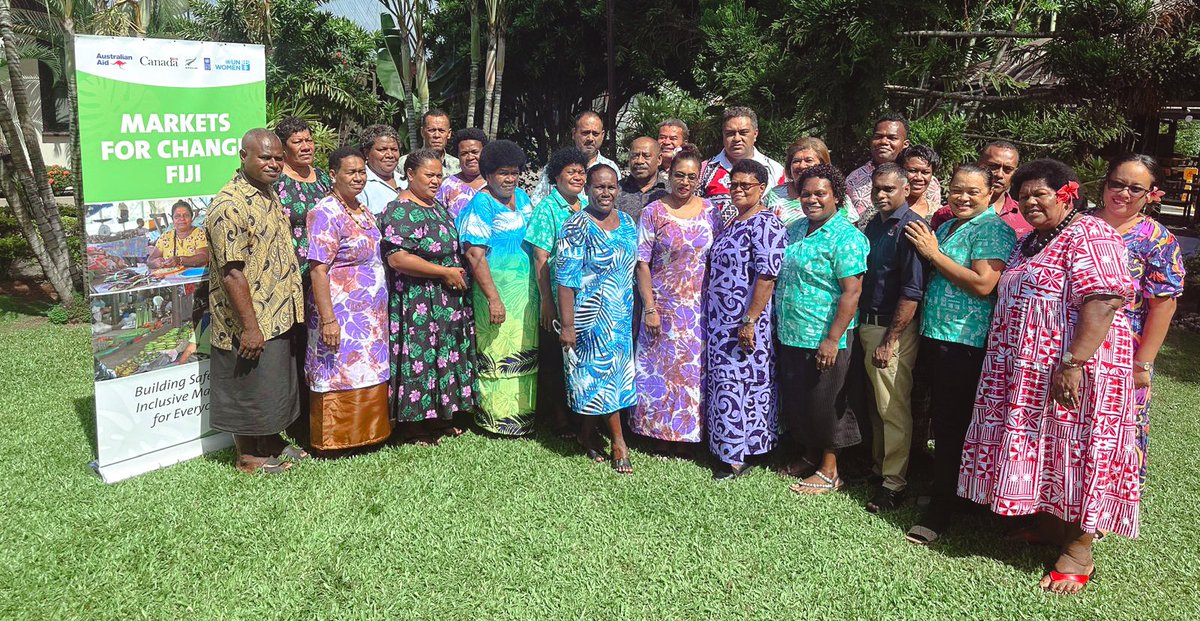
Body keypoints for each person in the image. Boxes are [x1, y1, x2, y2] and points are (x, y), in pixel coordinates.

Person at [957, 159, 1137, 595]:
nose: (1030, 201)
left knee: (1078, 450)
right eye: (1023, 196)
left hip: (1076, 370)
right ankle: (1049, 525)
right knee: (1048, 449)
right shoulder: (1030, 241)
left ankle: (1078, 551)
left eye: (1040, 193)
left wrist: (1073, 363)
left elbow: (1103, 301)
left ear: (1066, 193)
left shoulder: (1092, 235)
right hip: (1026, 371)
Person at [900, 165, 1016, 542]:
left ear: (990, 194)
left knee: (951, 425)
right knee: (942, 421)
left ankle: (941, 510)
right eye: (957, 190)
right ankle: (949, 490)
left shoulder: (993, 229)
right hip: (937, 335)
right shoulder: (950, 225)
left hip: (965, 341)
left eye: (973, 192)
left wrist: (933, 253)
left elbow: (984, 284)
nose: (963, 197)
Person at [206, 129, 307, 474]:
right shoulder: (229, 204)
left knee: (271, 383)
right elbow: (232, 272)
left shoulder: (266, 192)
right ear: (243, 156)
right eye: (265, 157)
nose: (274, 164)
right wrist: (249, 327)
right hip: (248, 319)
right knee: (248, 384)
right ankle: (249, 457)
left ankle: (272, 441)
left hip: (276, 310)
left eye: (279, 158)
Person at [776, 164, 868, 494]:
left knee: (827, 401)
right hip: (793, 332)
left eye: (820, 194)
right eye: (806, 194)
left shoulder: (847, 237)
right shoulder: (798, 228)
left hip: (826, 335)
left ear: (837, 197)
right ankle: (809, 455)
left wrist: (832, 338)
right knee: (802, 399)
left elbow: (851, 291)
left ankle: (830, 469)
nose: (812, 199)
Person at [1094, 154, 1186, 485]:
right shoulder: (1080, 224)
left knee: (1121, 427)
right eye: (1117, 184)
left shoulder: (1157, 240)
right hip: (1075, 347)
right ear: (1105, 185)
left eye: (1135, 188)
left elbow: (1164, 306)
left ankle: (1107, 506)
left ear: (1150, 194)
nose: (1124, 193)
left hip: (1124, 354)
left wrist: (1142, 363)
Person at [379, 148, 478, 445]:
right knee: (419, 357)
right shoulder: (402, 209)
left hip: (445, 302)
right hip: (417, 299)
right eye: (429, 175)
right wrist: (442, 272)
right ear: (410, 175)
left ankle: (438, 417)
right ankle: (413, 426)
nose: (436, 181)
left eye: (439, 175)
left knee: (440, 357)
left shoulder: (435, 206)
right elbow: (397, 258)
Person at [632, 143, 720, 457]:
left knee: (691, 372)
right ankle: (656, 433)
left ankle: (689, 435)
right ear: (669, 174)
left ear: (700, 178)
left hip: (698, 308)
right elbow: (642, 262)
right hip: (663, 305)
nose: (684, 182)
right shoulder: (653, 211)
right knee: (659, 370)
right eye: (679, 175)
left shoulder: (712, 212)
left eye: (691, 176)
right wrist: (650, 308)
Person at [304, 147, 391, 454]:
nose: (358, 178)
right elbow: (318, 270)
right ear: (333, 175)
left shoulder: (361, 209)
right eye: (350, 172)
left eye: (361, 172)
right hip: (340, 312)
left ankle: (370, 433)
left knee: (367, 368)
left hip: (370, 315)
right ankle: (337, 439)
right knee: (340, 370)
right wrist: (329, 319)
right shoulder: (324, 212)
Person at [703, 159, 787, 480]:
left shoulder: (766, 224)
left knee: (740, 385)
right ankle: (731, 447)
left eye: (745, 186)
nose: (737, 190)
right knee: (729, 383)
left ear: (762, 188)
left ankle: (735, 456)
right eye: (733, 185)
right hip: (722, 322)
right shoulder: (734, 222)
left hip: (747, 321)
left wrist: (750, 320)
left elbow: (767, 274)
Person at [556, 164, 639, 474]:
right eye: (599, 187)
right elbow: (566, 278)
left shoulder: (629, 223)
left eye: (611, 187)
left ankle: (587, 434)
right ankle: (619, 442)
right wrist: (567, 326)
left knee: (609, 380)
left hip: (620, 317)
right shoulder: (575, 225)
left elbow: (635, 268)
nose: (606, 193)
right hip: (588, 319)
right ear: (587, 189)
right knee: (599, 381)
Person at [457, 140, 540, 436]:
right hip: (495, 293)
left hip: (524, 295)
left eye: (514, 172)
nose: (510, 178)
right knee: (497, 351)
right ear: (488, 174)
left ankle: (523, 418)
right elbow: (474, 254)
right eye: (503, 173)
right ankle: (494, 420)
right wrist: (493, 299)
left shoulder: (521, 196)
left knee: (523, 351)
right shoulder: (481, 203)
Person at [857, 163, 927, 512]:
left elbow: (912, 291)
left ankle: (895, 484)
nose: (881, 195)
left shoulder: (911, 227)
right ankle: (879, 468)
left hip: (891, 329)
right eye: (877, 189)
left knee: (892, 407)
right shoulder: (874, 224)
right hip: (866, 324)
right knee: (876, 405)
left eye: (888, 189)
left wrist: (890, 340)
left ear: (905, 190)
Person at [525, 147, 590, 438]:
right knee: (555, 356)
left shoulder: (587, 203)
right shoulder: (547, 209)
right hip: (556, 293)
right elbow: (540, 257)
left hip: (587, 296)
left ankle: (582, 410)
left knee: (580, 355)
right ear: (557, 177)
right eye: (571, 172)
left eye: (581, 171)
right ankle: (560, 417)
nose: (577, 177)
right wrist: (547, 302)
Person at [846, 113, 942, 227]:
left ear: (905, 144)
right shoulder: (854, 180)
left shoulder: (927, 183)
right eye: (878, 137)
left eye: (892, 138)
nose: (884, 142)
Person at [699, 106, 786, 224]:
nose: (737, 138)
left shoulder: (776, 172)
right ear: (723, 135)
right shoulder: (703, 170)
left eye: (743, 132)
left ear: (755, 134)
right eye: (730, 133)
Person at [273, 116, 333, 276]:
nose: (306, 147)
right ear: (283, 148)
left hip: (325, 269)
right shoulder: (275, 181)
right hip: (291, 272)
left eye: (309, 140)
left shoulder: (323, 177)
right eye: (298, 142)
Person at [931, 141, 1029, 236]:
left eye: (1008, 169)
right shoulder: (946, 215)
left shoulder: (1026, 214)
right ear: (979, 165)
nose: (999, 174)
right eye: (993, 166)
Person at [530, 111, 621, 204]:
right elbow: (537, 204)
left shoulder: (611, 168)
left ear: (602, 135)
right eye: (585, 133)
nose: (590, 138)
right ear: (574, 133)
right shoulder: (556, 166)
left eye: (595, 134)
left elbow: (616, 205)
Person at [765, 137, 857, 227]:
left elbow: (853, 231)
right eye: (796, 161)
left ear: (823, 164)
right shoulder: (774, 195)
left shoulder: (836, 195)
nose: (801, 165)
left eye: (808, 160)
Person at [436, 128, 489, 218]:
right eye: (464, 153)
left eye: (474, 152)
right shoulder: (447, 185)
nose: (470, 157)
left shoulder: (496, 184)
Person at [615, 136, 667, 222]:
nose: (639, 161)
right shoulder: (616, 190)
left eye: (646, 156)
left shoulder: (669, 191)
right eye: (635, 156)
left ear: (659, 159)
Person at [357, 124, 405, 215]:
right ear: (366, 152)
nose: (390, 155)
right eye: (382, 150)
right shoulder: (360, 185)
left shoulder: (406, 181)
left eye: (394, 149)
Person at [399, 109, 462, 177]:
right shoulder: (404, 163)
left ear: (449, 133)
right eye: (431, 130)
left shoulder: (459, 166)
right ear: (422, 132)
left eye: (441, 131)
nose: (437, 135)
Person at [147, 200, 208, 268]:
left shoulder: (199, 233)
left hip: (194, 277)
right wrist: (155, 263)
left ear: (191, 217)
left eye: (186, 215)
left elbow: (203, 257)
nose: (182, 219)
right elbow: (150, 260)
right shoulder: (165, 237)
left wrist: (180, 260)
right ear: (172, 219)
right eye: (177, 216)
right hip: (169, 277)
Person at [898, 145, 941, 220]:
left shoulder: (938, 213)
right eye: (912, 171)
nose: (919, 178)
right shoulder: (887, 209)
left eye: (925, 172)